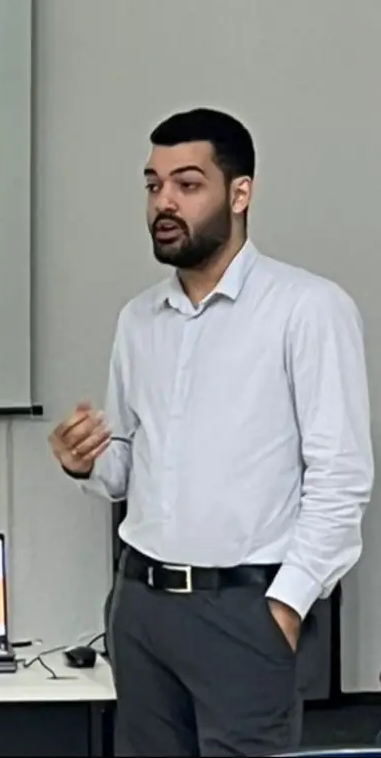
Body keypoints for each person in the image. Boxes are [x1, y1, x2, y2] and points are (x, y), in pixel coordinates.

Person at [48, 108, 373, 757]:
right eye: (153, 185)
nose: (163, 202)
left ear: (240, 193)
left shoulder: (308, 308)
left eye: (187, 184)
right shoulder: (139, 319)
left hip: (245, 609)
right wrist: (84, 461)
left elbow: (341, 477)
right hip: (141, 607)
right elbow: (127, 468)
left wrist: (285, 607)